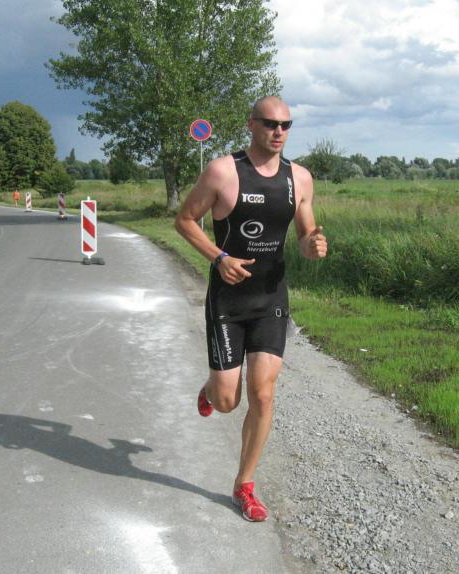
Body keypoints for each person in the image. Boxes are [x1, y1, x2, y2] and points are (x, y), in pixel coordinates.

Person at [175, 96, 327, 522]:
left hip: (271, 298)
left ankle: (244, 484)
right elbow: (184, 220)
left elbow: (305, 235)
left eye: (286, 125)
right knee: (228, 401)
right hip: (228, 300)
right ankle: (211, 390)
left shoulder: (300, 178)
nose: (279, 132)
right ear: (252, 124)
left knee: (262, 393)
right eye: (270, 123)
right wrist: (219, 257)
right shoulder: (223, 171)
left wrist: (313, 244)